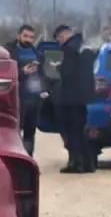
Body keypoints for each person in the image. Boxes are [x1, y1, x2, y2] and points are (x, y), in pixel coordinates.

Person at [46, 24, 98, 174]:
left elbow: (68, 73)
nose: (59, 42)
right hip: (83, 97)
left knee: (72, 131)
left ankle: (77, 164)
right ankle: (88, 163)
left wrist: (57, 67)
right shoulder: (84, 46)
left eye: (58, 39)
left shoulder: (69, 49)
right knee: (82, 130)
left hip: (71, 98)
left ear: (62, 35)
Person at [8, 25, 42, 157]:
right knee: (15, 132)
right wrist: (22, 72)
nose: (28, 39)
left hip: (35, 98)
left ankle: (29, 158)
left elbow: (43, 74)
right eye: (25, 36)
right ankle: (15, 158)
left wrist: (44, 90)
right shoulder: (11, 52)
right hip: (17, 98)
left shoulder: (37, 53)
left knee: (30, 132)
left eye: (31, 37)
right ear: (19, 36)